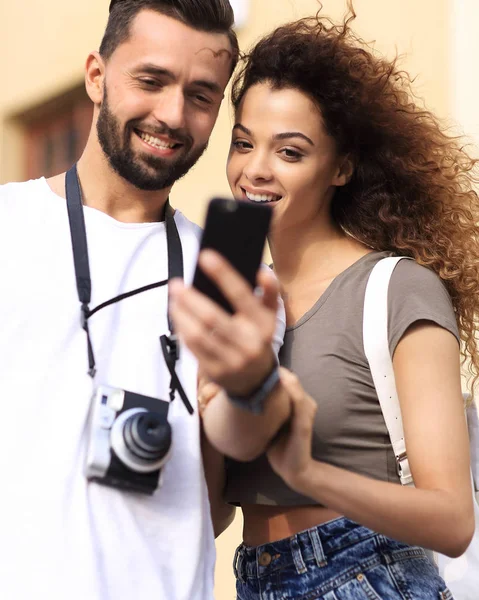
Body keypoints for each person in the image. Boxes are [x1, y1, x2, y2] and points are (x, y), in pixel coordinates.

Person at [170, 4, 479, 599]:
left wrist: (311, 474)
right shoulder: (235, 302)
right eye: (242, 143)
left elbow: (452, 519)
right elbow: (211, 517)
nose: (254, 171)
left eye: (289, 152)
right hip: (254, 579)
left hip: (366, 575)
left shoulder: (396, 289)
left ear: (340, 166)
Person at [0, 1, 245, 598]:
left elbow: (214, 505)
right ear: (96, 76)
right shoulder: (9, 227)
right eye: (151, 80)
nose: (172, 114)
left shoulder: (232, 274)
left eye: (201, 95)